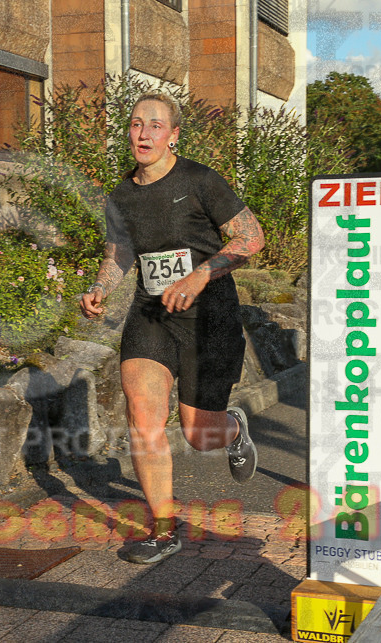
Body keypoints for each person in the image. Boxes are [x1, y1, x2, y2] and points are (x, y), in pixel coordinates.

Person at [79, 91, 265, 564]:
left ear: (174, 134)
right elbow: (120, 253)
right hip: (152, 313)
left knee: (199, 433)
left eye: (155, 125)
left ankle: (232, 428)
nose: (144, 134)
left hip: (210, 317)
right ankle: (163, 530)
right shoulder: (121, 194)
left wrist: (202, 273)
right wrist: (100, 287)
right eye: (137, 124)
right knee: (142, 413)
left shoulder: (200, 180)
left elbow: (252, 236)